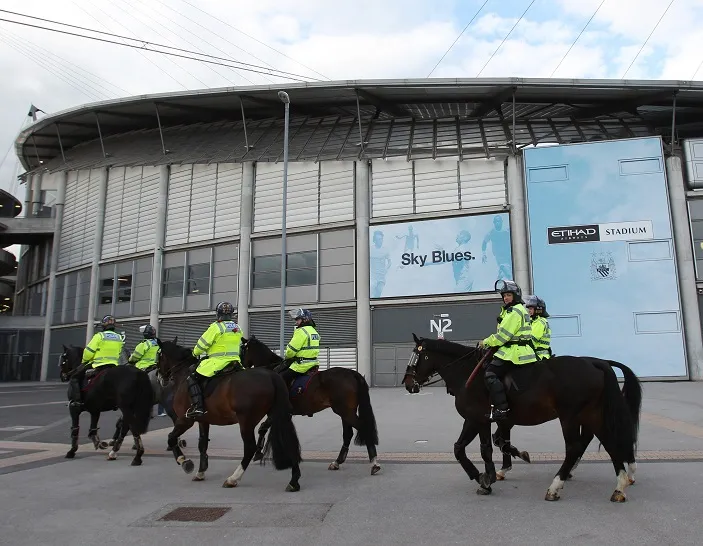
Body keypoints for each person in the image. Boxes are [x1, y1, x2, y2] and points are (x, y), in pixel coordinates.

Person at [479, 280, 537, 421]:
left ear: (515, 296)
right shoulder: (517, 309)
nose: (505, 298)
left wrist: (485, 342)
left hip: (514, 352)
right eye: (504, 295)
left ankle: (501, 408)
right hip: (520, 349)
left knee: (490, 373)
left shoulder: (514, 312)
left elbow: (503, 336)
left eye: (508, 295)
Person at [185, 301, 244, 419]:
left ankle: (198, 408)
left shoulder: (216, 327)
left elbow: (201, 347)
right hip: (236, 362)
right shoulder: (237, 328)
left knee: (192, 378)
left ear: (218, 314)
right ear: (231, 314)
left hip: (217, 362)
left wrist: (194, 352)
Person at [68, 315, 124, 409]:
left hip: (99, 364)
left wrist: (84, 361)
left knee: (74, 377)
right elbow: (119, 352)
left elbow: (88, 352)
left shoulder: (99, 336)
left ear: (103, 325)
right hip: (114, 365)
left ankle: (77, 401)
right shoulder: (119, 337)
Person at [280, 308, 320, 386]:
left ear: (304, 320)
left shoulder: (301, 331)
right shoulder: (314, 331)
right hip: (314, 364)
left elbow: (291, 351)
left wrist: (287, 357)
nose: (296, 322)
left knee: (280, 379)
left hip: (301, 365)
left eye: (298, 320)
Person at [525, 295, 552, 360]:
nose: (529, 311)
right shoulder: (533, 321)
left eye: (531, 309)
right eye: (529, 309)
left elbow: (531, 340)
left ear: (538, 309)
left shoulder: (539, 322)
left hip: (539, 357)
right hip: (536, 356)